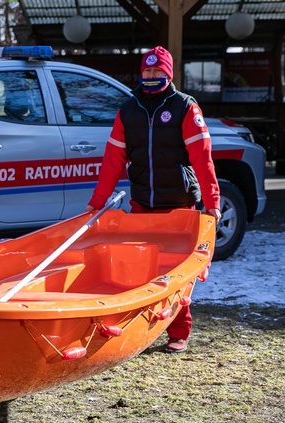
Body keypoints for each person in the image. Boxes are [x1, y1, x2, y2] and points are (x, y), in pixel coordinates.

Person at [86, 46, 222, 354]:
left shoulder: (185, 107)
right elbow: (112, 162)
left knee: (177, 275)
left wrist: (212, 201)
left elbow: (203, 160)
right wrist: (97, 202)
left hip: (179, 205)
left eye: (158, 72)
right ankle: (137, 332)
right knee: (139, 273)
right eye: (147, 72)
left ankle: (179, 331)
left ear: (168, 74)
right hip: (142, 205)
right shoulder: (128, 110)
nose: (151, 76)